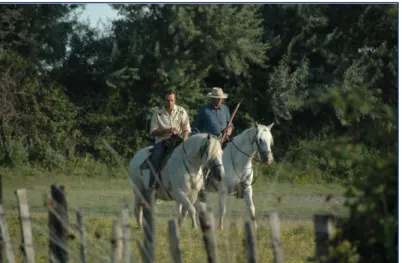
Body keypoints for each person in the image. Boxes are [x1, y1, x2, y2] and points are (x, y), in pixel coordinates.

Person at [149, 89, 191, 181]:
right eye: (167, 100)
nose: (170, 102)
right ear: (164, 100)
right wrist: (167, 130)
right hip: (162, 142)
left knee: (193, 155)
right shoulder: (157, 113)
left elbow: (186, 129)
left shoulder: (181, 111)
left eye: (172, 100)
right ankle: (153, 182)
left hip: (178, 140)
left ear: (175, 100)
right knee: (157, 156)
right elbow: (153, 131)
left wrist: (185, 138)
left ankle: (197, 183)